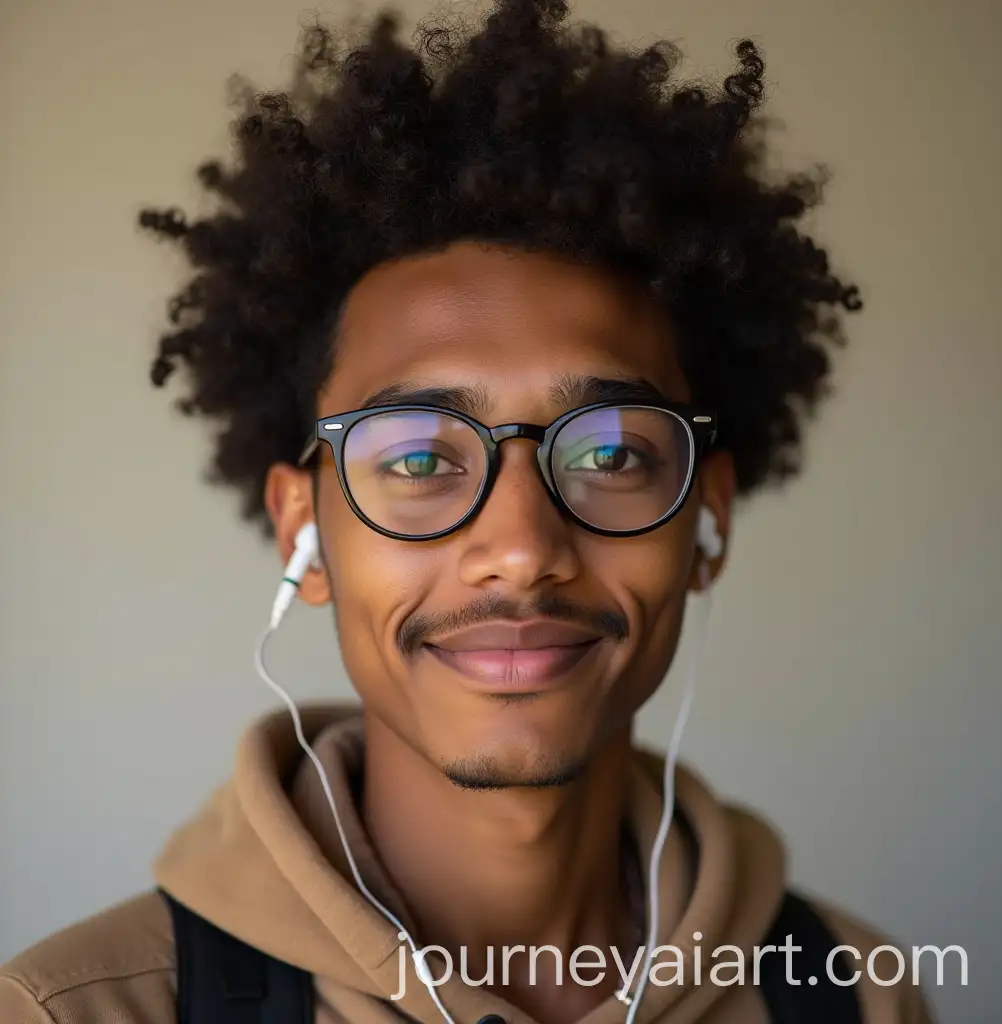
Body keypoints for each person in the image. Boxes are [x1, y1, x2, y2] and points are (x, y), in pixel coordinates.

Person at [0, 0, 935, 1021]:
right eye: (416, 458)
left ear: (706, 517)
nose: (523, 551)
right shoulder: (78, 1009)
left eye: (612, 450)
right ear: (301, 530)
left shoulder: (854, 994)